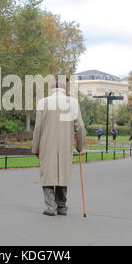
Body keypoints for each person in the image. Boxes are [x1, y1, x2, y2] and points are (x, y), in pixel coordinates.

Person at [31, 81, 86, 216]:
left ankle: (50, 207)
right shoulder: (72, 103)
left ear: (51, 89)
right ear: (64, 89)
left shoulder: (43, 102)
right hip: (65, 145)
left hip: (46, 144)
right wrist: (80, 146)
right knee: (63, 173)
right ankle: (61, 206)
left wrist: (35, 148)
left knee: (48, 175)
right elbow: (80, 127)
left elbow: (38, 128)